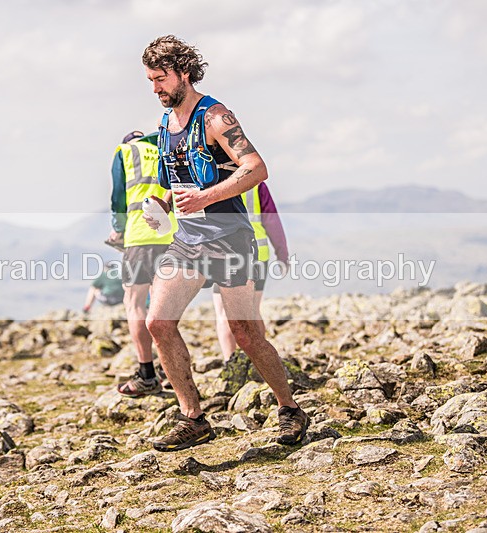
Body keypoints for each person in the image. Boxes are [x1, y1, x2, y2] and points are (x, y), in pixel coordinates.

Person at [141, 35, 309, 452]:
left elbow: (257, 168)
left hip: (230, 239)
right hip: (187, 242)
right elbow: (170, 180)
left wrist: (206, 197)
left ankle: (290, 408)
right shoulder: (165, 124)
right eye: (150, 81)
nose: (156, 88)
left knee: (246, 334)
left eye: (161, 79)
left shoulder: (215, 117)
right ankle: (193, 418)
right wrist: (159, 205)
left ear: (183, 72)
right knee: (158, 323)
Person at [109, 130, 177, 397]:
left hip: (140, 236)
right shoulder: (163, 149)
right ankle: (171, 372)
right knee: (162, 307)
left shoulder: (125, 152)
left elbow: (118, 199)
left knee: (134, 302)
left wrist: (118, 230)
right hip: (170, 235)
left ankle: (147, 374)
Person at [213, 182, 289, 359]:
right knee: (253, 310)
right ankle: (261, 361)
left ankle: (230, 362)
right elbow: (271, 220)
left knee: (224, 313)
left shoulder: (211, 177)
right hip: (257, 254)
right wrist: (282, 253)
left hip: (224, 254)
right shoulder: (256, 183)